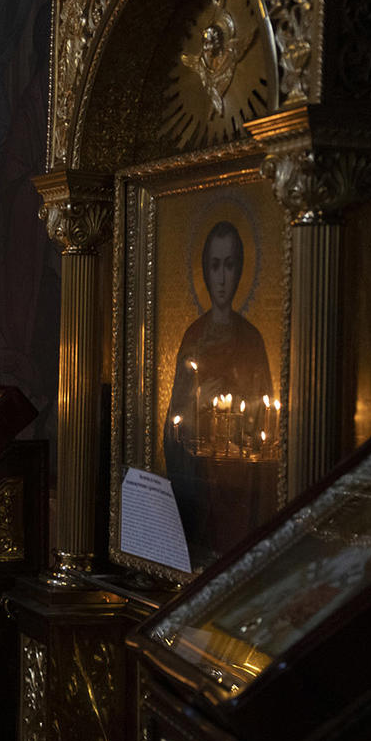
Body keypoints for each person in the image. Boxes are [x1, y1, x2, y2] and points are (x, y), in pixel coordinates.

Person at [162, 220, 275, 564]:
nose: (223, 277)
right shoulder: (193, 338)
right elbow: (172, 430)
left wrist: (245, 417)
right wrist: (197, 405)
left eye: (230, 265)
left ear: (240, 270)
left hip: (241, 486)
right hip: (201, 485)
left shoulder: (252, 339)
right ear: (205, 272)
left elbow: (265, 424)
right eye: (215, 266)